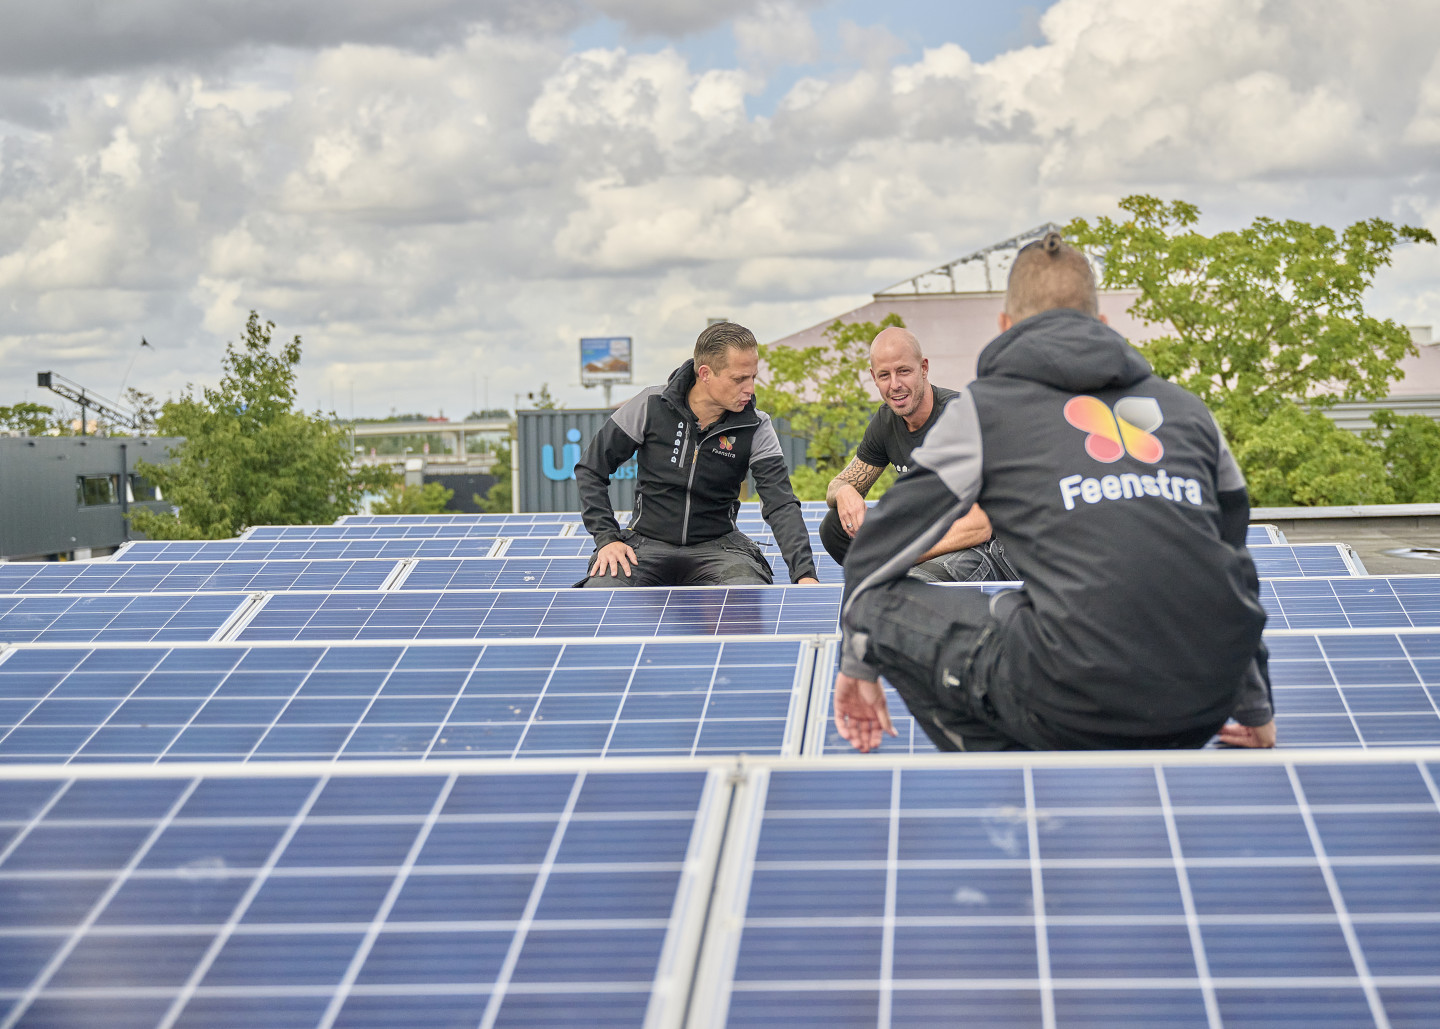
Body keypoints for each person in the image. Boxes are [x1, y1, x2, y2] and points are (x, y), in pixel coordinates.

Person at [834, 232, 1275, 752]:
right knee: (1012, 611)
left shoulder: (984, 410)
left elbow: (876, 548)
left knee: (877, 610)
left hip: (1071, 704)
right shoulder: (1189, 411)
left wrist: (856, 664)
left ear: (1004, 326)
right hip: (1201, 706)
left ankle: (1014, 768)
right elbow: (1231, 565)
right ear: (1103, 325)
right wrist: (1255, 707)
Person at [576, 321, 820, 587]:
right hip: (645, 547)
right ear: (705, 373)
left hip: (720, 551)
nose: (750, 389)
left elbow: (780, 503)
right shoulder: (649, 406)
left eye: (753, 376)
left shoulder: (757, 425)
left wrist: (804, 574)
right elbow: (591, 469)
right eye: (739, 379)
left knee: (746, 597)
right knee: (602, 593)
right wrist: (607, 538)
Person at [821, 326, 1015, 582]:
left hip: (986, 546)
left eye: (903, 371)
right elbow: (837, 484)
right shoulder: (886, 422)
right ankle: (879, 578)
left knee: (917, 582)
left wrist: (904, 553)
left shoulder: (960, 417)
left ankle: (895, 578)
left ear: (923, 368)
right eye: (884, 375)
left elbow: (981, 525)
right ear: (873, 377)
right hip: (928, 530)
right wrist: (845, 492)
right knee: (835, 526)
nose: (895, 385)